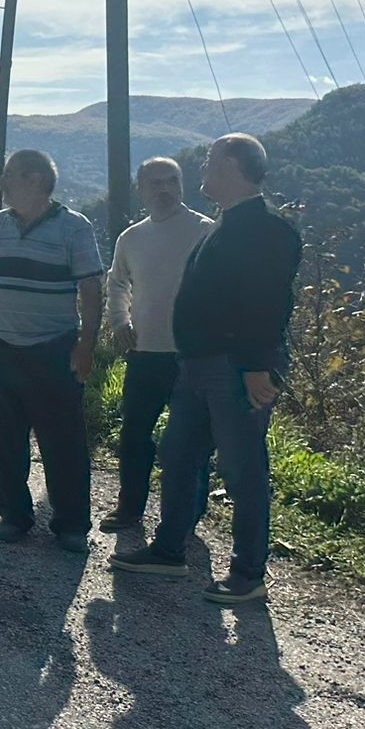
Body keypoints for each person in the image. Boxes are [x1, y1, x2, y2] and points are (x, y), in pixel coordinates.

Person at [112, 134, 303, 605]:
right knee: (178, 455)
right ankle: (169, 551)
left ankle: (248, 574)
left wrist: (256, 367)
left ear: (233, 166)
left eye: (209, 162)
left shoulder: (267, 230)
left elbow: (269, 304)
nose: (201, 170)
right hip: (197, 366)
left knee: (242, 469)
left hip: (235, 369)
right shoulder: (223, 224)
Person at [0, 149, 105, 550]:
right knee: (3, 437)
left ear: (34, 179)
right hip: (1, 347)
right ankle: (13, 516)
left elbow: (91, 290)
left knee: (63, 441)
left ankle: (71, 525)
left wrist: (86, 346)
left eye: (9, 175)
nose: (0, 182)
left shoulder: (74, 227)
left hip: (53, 349)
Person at [100, 156, 214, 532]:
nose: (165, 189)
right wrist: (120, 321)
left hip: (192, 356)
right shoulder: (131, 237)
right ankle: (129, 508)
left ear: (182, 185)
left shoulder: (205, 231)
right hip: (144, 351)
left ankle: (189, 517)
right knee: (134, 434)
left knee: (189, 443)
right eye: (156, 182)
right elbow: (117, 283)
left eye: (172, 181)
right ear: (141, 189)